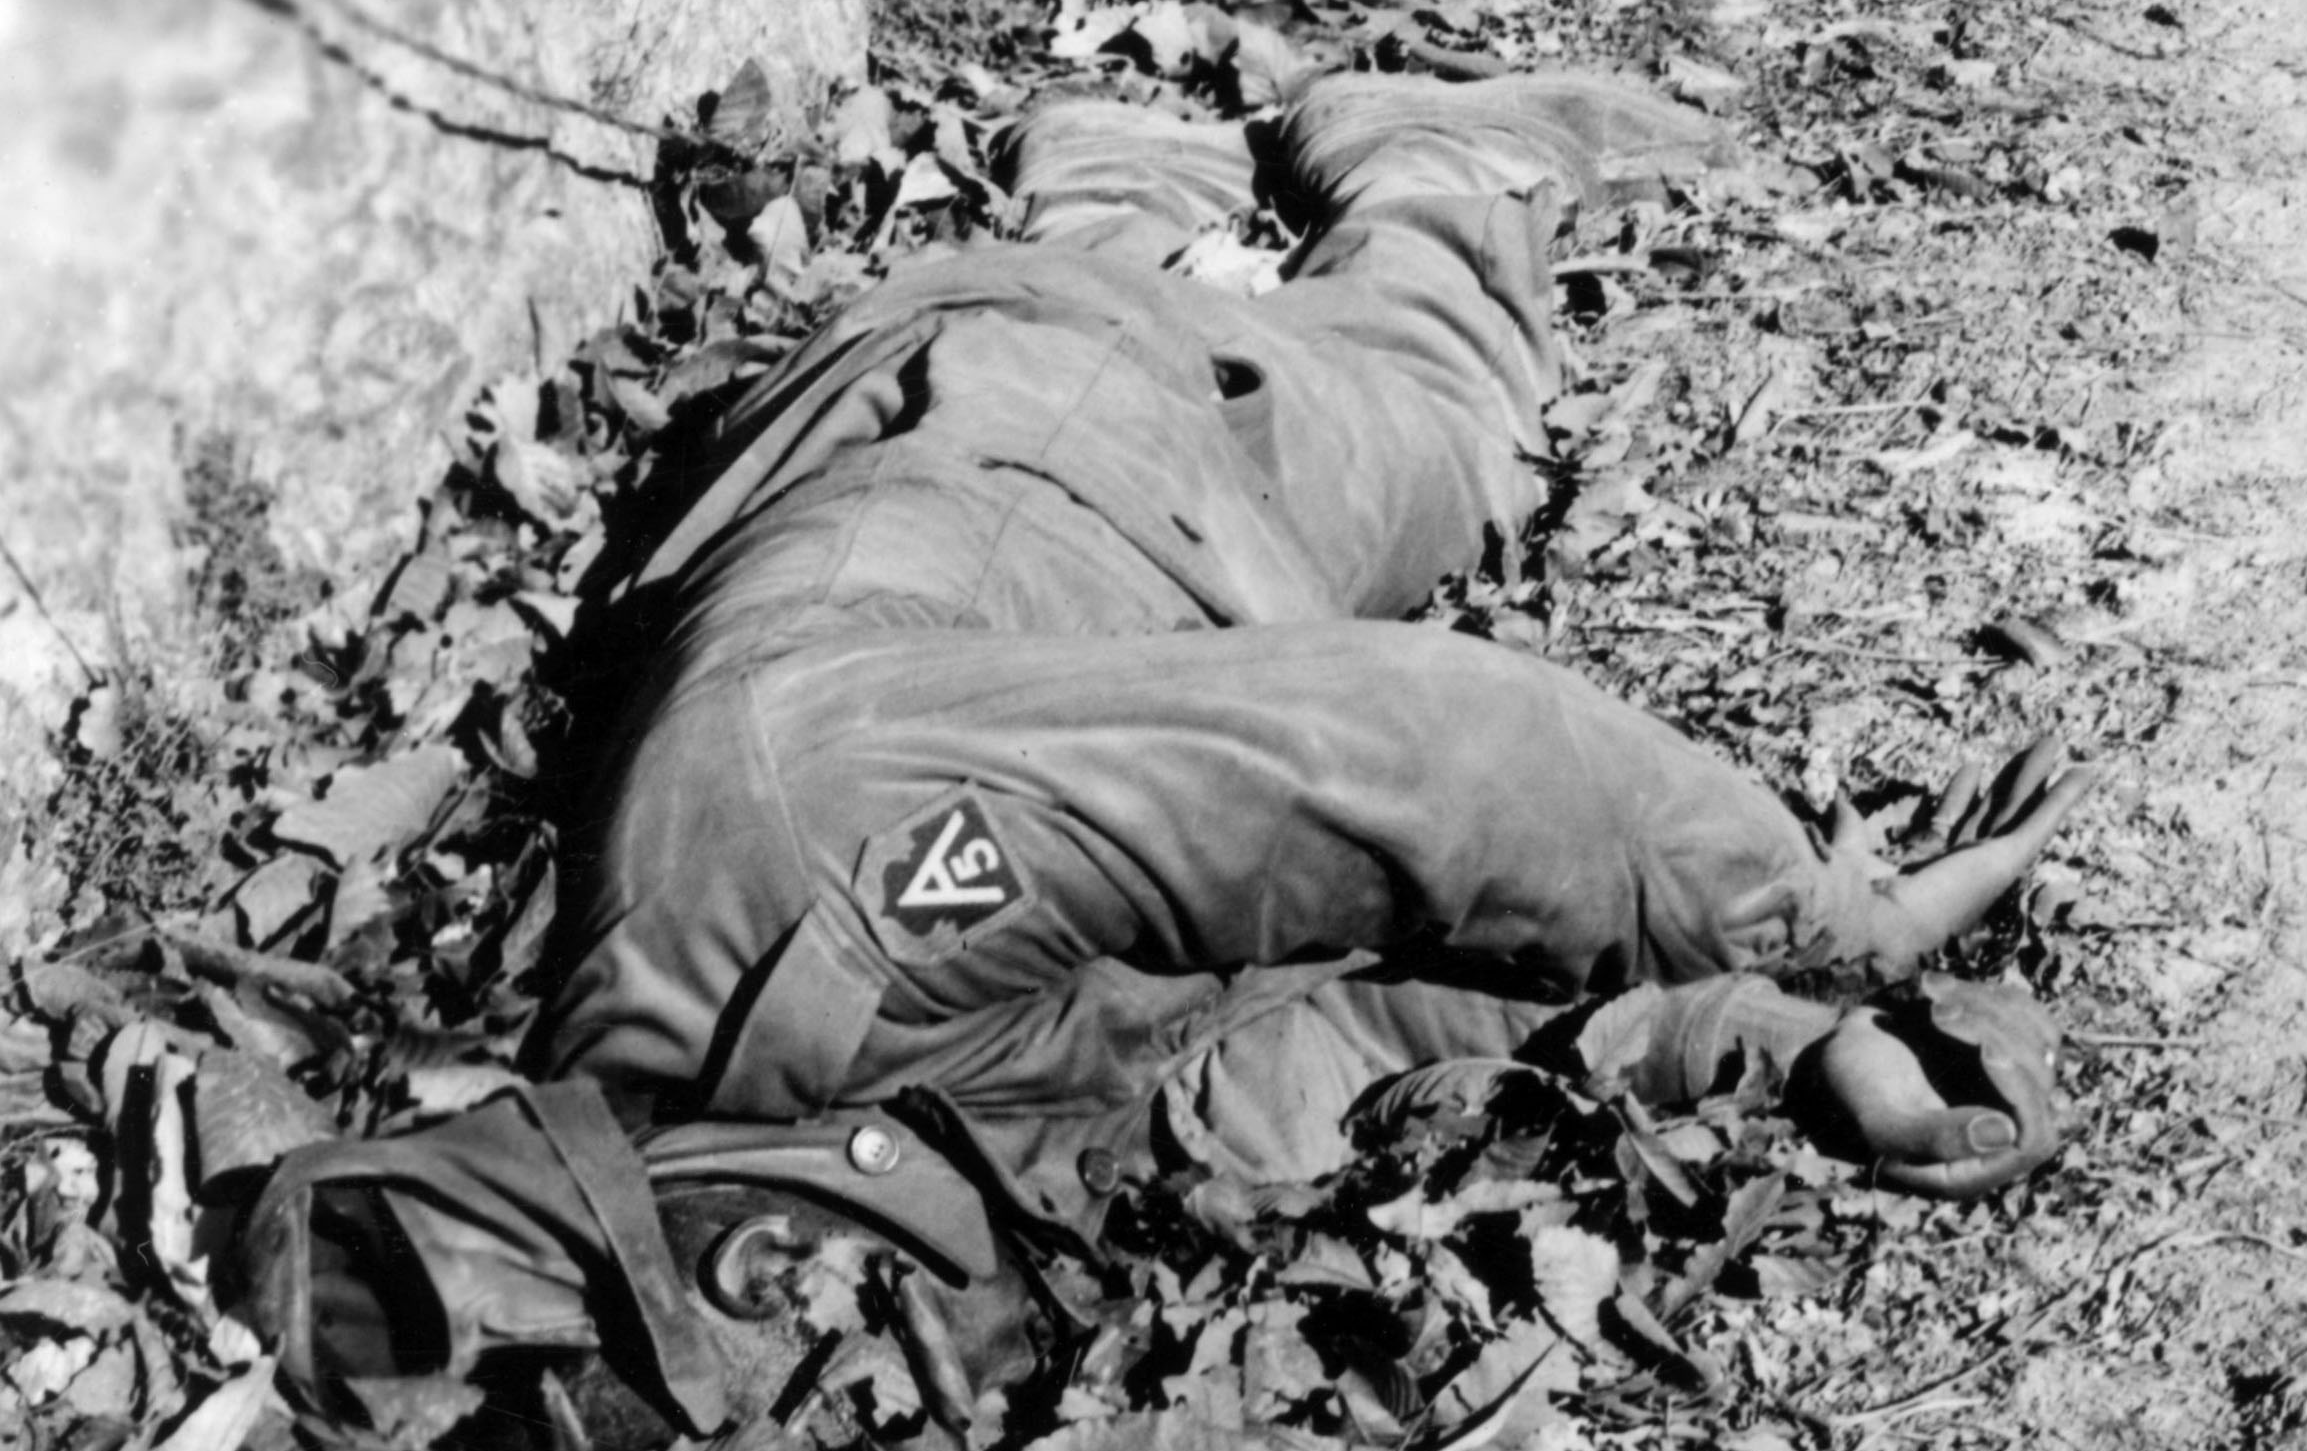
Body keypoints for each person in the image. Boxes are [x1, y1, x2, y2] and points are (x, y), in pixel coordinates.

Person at [528, 69, 2069, 1206]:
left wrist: (1807, 920)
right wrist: (1765, 1048)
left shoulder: (847, 876)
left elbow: (1417, 750)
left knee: (1449, 421)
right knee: (1276, 463)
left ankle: (1407, 162)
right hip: (1020, 470)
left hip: (1061, 425)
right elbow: (1291, 1050)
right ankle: (1120, 177)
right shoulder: (842, 1129)